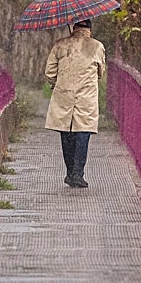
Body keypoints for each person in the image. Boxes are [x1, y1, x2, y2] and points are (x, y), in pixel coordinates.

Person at [44, 18, 106, 188]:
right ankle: (78, 174)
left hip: (64, 95)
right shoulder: (97, 46)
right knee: (83, 133)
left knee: (66, 132)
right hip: (86, 97)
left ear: (74, 27)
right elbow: (100, 72)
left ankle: (69, 172)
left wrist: (57, 82)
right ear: (89, 29)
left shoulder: (60, 45)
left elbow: (49, 72)